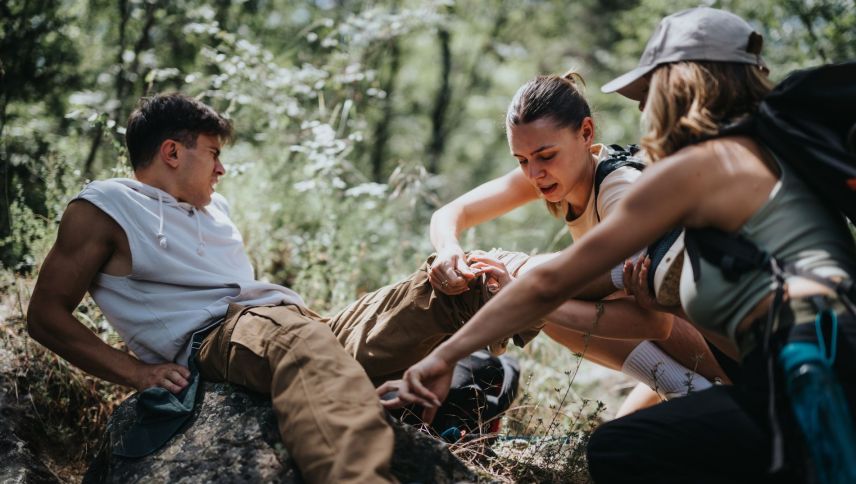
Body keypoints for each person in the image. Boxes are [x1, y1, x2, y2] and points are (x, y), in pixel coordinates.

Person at [386, 7, 856, 483]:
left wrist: (443, 357)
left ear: (680, 88)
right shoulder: (763, 158)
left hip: (814, 372)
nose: (641, 110)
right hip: (791, 373)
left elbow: (552, 282)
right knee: (629, 440)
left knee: (622, 450)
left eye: (647, 93)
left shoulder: (702, 166)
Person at [25, 93, 540, 484]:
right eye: (213, 153)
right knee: (298, 342)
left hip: (302, 323)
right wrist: (136, 372)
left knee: (449, 281)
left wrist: (457, 272)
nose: (222, 168)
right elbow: (45, 314)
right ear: (171, 152)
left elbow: (286, 322)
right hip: (222, 334)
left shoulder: (214, 209)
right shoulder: (106, 207)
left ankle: (581, 291)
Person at [423, 71, 726, 408]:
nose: (534, 173)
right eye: (522, 160)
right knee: (617, 440)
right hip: (680, 352)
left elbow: (657, 322)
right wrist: (448, 248)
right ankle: (689, 391)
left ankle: (704, 394)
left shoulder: (619, 188)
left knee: (534, 281)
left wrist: (529, 297)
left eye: (545, 156)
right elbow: (452, 212)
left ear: (585, 133)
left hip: (718, 349)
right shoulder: (553, 173)